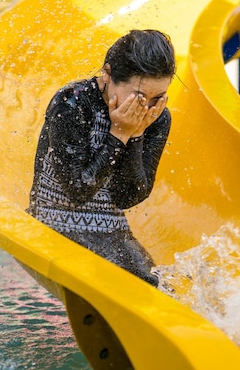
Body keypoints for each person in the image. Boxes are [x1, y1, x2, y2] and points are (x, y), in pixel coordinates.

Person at [27, 29, 175, 287]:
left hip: (110, 231)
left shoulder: (157, 117)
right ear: (106, 74)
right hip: (54, 224)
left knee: (160, 292)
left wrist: (137, 134)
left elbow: (128, 196)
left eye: (158, 97)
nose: (146, 107)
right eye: (139, 96)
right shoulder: (72, 103)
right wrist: (119, 135)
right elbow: (78, 190)